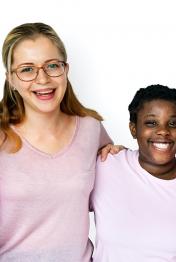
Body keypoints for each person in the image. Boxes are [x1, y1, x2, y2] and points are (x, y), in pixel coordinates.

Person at [0, 23, 112, 261]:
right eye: (27, 69)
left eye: (52, 66)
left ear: (66, 69)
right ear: (11, 79)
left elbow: (120, 181)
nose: (43, 79)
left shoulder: (91, 129)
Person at [91, 84, 176, 261]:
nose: (163, 131)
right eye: (151, 123)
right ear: (133, 129)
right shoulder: (106, 166)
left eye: (173, 123)